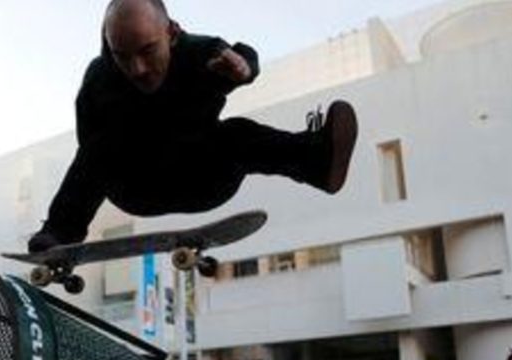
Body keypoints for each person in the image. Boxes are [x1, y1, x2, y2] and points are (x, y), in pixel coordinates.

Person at [28, 0, 358, 253]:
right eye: (122, 57)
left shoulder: (200, 53)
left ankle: (318, 161)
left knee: (237, 133)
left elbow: (242, 57)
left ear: (171, 33)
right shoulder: (99, 79)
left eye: (147, 51)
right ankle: (61, 231)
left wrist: (244, 70)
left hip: (202, 177)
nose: (138, 68)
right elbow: (88, 154)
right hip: (135, 186)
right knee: (99, 147)